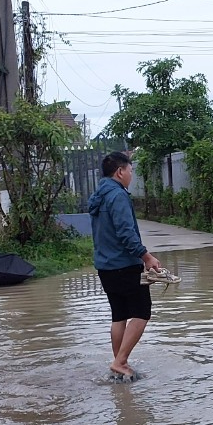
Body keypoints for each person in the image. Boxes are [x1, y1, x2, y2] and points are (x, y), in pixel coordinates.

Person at [87, 151, 162, 380]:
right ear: (120, 172)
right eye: (130, 171)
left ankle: (120, 365)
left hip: (105, 267)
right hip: (124, 264)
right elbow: (126, 233)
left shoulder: (99, 195)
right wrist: (146, 257)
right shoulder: (118, 196)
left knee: (119, 315)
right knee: (142, 312)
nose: (131, 175)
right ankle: (120, 362)